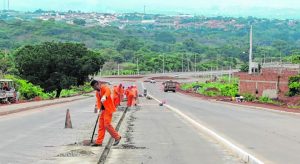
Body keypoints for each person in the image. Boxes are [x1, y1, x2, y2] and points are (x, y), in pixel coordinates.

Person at [90, 80, 121, 147]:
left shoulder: (104, 88)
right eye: (93, 88)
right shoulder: (97, 93)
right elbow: (98, 101)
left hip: (108, 109)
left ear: (97, 84)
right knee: (101, 126)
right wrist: (98, 109)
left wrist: (105, 96)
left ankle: (117, 137)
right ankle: (99, 142)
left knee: (107, 125)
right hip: (103, 111)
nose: (94, 89)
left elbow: (108, 91)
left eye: (94, 87)